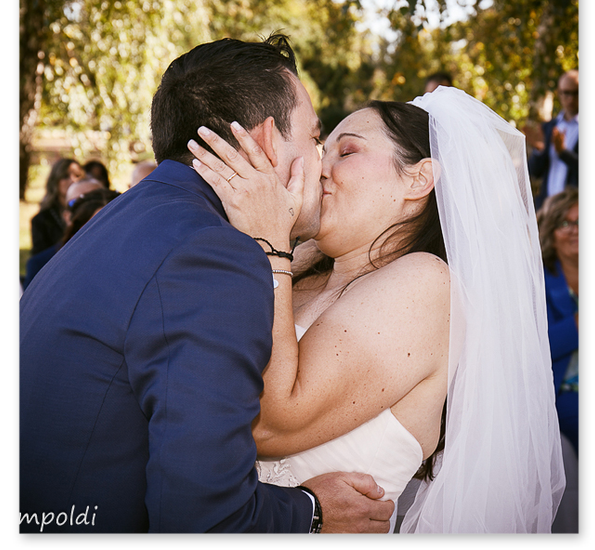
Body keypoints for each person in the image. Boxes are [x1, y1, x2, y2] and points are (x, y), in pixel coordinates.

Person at [19, 34, 393, 534]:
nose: (322, 161)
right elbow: (203, 517)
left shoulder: (127, 217)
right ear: (265, 142)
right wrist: (312, 511)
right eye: (314, 138)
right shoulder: (212, 254)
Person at [189, 85, 566, 533]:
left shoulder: (426, 284)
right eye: (321, 150)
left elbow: (269, 426)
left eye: (346, 152)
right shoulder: (297, 269)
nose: (319, 166)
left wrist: (269, 242)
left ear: (418, 180)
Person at [537, 186, 579, 457]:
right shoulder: (538, 281)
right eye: (565, 223)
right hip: (564, 392)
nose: (575, 230)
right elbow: (536, 347)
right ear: (551, 232)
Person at [526, 70, 579, 209]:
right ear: (559, 93)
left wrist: (563, 153)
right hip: (547, 208)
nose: (571, 99)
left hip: (574, 211)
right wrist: (539, 150)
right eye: (566, 93)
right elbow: (534, 172)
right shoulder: (549, 127)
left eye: (576, 93)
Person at [30, 157, 84, 255]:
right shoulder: (41, 220)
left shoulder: (92, 212)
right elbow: (38, 260)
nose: (72, 180)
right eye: (65, 176)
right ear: (55, 181)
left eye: (77, 175)